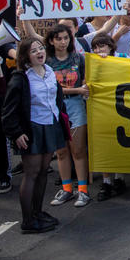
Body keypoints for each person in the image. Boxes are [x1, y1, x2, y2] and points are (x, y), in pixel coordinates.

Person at [2, 36, 70, 234]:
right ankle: (27, 220)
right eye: (33, 51)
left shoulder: (49, 71)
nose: (39, 52)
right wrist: (16, 133)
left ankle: (38, 212)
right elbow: (9, 110)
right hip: (32, 128)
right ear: (25, 56)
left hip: (50, 125)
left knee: (43, 171)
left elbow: (56, 98)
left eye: (40, 48)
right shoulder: (21, 78)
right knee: (31, 173)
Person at [45, 24, 90, 208]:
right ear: (51, 41)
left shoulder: (78, 58)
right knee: (61, 152)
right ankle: (67, 188)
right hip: (56, 109)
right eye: (59, 39)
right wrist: (77, 89)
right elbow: (51, 89)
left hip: (76, 107)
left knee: (78, 150)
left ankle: (83, 190)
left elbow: (86, 81)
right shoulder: (47, 63)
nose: (63, 42)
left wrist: (81, 89)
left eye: (66, 38)